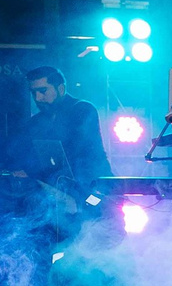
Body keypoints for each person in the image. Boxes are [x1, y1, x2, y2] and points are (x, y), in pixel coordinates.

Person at [13, 63, 110, 195]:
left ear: (61, 89)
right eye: (33, 92)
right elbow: (24, 152)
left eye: (43, 91)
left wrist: (33, 172)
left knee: (95, 210)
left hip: (94, 189)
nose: (37, 98)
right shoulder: (36, 121)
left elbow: (75, 151)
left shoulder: (83, 110)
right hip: (63, 190)